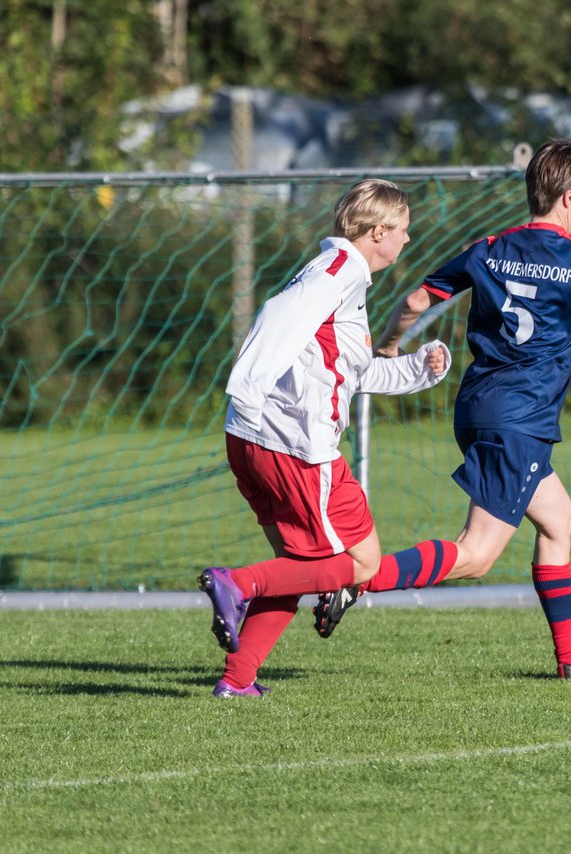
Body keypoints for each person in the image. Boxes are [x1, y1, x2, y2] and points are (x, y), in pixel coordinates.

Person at [311, 138, 571, 679]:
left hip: (477, 407)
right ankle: (357, 578)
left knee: (559, 522)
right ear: (566, 197)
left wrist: (389, 346)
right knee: (478, 554)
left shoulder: (491, 246)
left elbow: (418, 300)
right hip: (522, 419)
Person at [198, 178, 453, 698]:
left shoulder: (340, 275)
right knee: (364, 563)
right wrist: (247, 389)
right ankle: (237, 584)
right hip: (295, 447)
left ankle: (237, 680)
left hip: (254, 440)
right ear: (377, 231)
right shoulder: (338, 272)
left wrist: (417, 371)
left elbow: (344, 373)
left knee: (298, 568)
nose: (408, 239)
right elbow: (275, 317)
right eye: (403, 230)